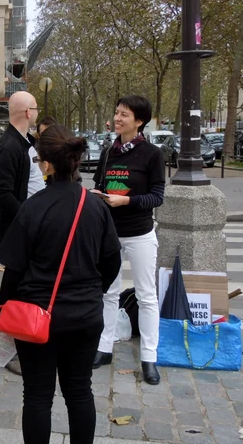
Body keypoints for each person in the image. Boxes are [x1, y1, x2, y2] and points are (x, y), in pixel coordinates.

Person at [0, 124, 121, 444]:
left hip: (38, 317)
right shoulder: (95, 206)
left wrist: (2, 313)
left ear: (47, 165)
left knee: (37, 395)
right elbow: (112, 263)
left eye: (38, 161)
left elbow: (14, 271)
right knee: (79, 391)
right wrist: (93, 292)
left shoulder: (32, 208)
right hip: (86, 315)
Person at [91, 95, 166, 386]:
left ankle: (149, 357)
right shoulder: (109, 152)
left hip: (140, 234)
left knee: (147, 296)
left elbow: (157, 197)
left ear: (139, 121)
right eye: (117, 112)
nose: (118, 118)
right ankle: (104, 347)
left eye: (124, 114)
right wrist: (98, 197)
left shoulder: (152, 154)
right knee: (108, 292)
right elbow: (99, 185)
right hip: (109, 234)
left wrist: (128, 201)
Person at [0, 91, 44, 249]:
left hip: (29, 225)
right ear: (28, 113)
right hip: (20, 230)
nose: (38, 112)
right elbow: (1, 193)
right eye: (36, 108)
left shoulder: (25, 141)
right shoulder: (9, 147)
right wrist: (27, 217)